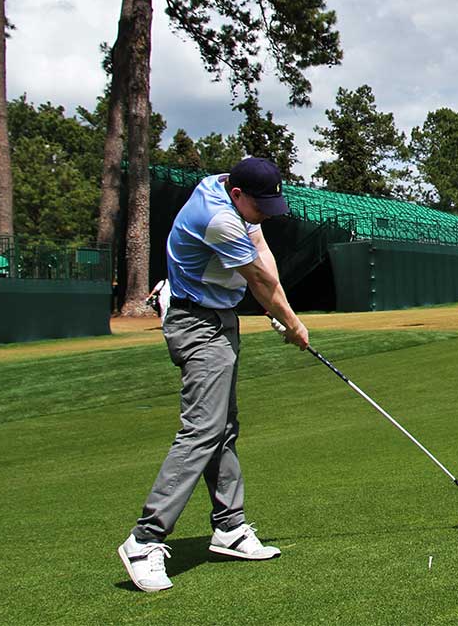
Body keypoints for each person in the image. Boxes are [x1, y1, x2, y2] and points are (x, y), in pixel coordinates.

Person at [118, 158, 309, 593]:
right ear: (238, 195)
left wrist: (279, 311)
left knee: (223, 427)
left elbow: (262, 253)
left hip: (220, 319)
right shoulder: (219, 218)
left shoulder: (225, 187)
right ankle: (144, 540)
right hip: (197, 324)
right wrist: (293, 323)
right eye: (260, 206)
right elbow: (258, 279)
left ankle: (229, 528)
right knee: (202, 430)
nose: (265, 214)